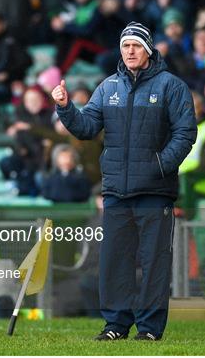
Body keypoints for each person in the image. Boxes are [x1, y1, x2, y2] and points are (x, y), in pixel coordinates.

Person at [51, 21, 196, 341]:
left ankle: (149, 329)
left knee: (153, 263)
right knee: (114, 262)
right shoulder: (107, 88)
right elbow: (87, 127)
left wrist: (160, 165)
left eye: (136, 45)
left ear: (148, 50)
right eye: (125, 45)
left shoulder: (171, 86)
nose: (130, 51)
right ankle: (116, 324)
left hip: (155, 191)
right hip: (116, 190)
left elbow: (186, 133)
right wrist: (65, 107)